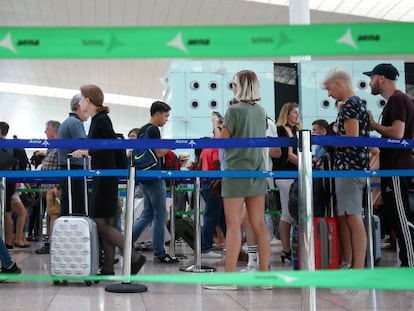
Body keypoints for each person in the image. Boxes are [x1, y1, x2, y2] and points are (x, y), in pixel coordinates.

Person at [204, 70, 270, 291]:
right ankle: (264, 278)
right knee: (259, 224)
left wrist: (217, 127)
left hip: (235, 170)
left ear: (238, 86)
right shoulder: (261, 111)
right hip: (257, 170)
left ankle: (229, 279)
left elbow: (224, 142)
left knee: (233, 225)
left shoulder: (233, 110)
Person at [72, 84, 146, 275]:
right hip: (106, 175)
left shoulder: (101, 120)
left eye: (81, 97)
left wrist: (87, 151)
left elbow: (109, 145)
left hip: (104, 177)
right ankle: (107, 269)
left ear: (89, 99)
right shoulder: (99, 119)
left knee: (101, 223)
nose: (80, 101)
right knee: (108, 223)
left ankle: (134, 257)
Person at [364, 63, 414, 267]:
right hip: (396, 165)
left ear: (381, 78)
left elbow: (397, 133)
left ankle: (410, 260)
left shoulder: (397, 100)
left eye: (372, 77)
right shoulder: (402, 100)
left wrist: (374, 125)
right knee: (395, 213)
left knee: (401, 214)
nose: (370, 82)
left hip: (396, 166)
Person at [322, 67, 369, 269]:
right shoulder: (358, 103)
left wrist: (331, 140)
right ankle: (355, 265)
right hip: (353, 167)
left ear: (338, 83)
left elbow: (351, 138)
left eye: (329, 88)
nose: (329, 94)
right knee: (350, 217)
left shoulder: (350, 105)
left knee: (353, 217)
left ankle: (358, 268)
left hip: (349, 167)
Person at [132, 101, 179, 264]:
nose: (166, 120)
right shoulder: (154, 130)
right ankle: (160, 252)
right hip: (153, 175)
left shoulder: (143, 130)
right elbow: (158, 153)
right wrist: (171, 145)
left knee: (148, 214)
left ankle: (125, 243)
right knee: (161, 214)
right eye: (165, 116)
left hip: (143, 175)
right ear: (157, 114)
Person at [274, 102, 302, 264]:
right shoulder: (281, 131)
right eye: (294, 113)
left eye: (298, 113)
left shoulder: (297, 131)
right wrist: (306, 163)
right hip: (285, 174)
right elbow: (287, 155)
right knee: (287, 212)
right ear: (287, 114)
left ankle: (290, 248)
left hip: (296, 173)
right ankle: (286, 248)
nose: (297, 115)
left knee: (293, 212)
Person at [57, 94, 88, 216]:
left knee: (67, 202)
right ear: (80, 106)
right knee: (77, 205)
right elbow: (83, 145)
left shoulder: (66, 122)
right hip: (74, 168)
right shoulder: (75, 123)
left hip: (66, 168)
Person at [36, 120, 61, 254]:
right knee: (51, 215)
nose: (45, 131)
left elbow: (61, 167)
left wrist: (58, 186)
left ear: (54, 131)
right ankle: (50, 242)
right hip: (48, 189)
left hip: (54, 189)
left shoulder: (58, 147)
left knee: (54, 216)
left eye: (47, 129)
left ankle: (52, 244)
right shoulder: (51, 147)